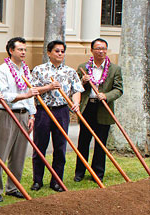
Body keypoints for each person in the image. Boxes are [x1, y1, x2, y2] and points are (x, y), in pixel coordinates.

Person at [31, 40, 83, 191]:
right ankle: (37, 180)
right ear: (49, 53)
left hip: (62, 111)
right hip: (43, 110)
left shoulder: (70, 71)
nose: (60, 54)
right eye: (56, 51)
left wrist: (76, 103)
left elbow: (77, 90)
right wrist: (49, 87)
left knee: (60, 147)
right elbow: (33, 90)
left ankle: (56, 180)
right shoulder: (39, 70)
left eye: (62, 51)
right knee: (40, 146)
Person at [0, 37, 38, 202]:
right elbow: (2, 95)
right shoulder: (2, 70)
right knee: (1, 153)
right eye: (20, 49)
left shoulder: (26, 70)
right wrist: (23, 95)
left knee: (19, 154)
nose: (23, 52)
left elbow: (31, 94)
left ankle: (13, 187)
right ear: (11, 51)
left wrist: (32, 115)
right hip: (6, 115)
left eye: (25, 50)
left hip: (24, 114)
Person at [75, 38, 123, 182]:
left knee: (101, 142)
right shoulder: (83, 67)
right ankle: (80, 172)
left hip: (103, 108)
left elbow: (119, 89)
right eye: (98, 48)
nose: (101, 51)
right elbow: (76, 87)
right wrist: (83, 81)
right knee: (83, 140)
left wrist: (106, 96)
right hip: (87, 107)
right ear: (92, 50)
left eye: (103, 48)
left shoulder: (115, 69)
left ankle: (98, 173)